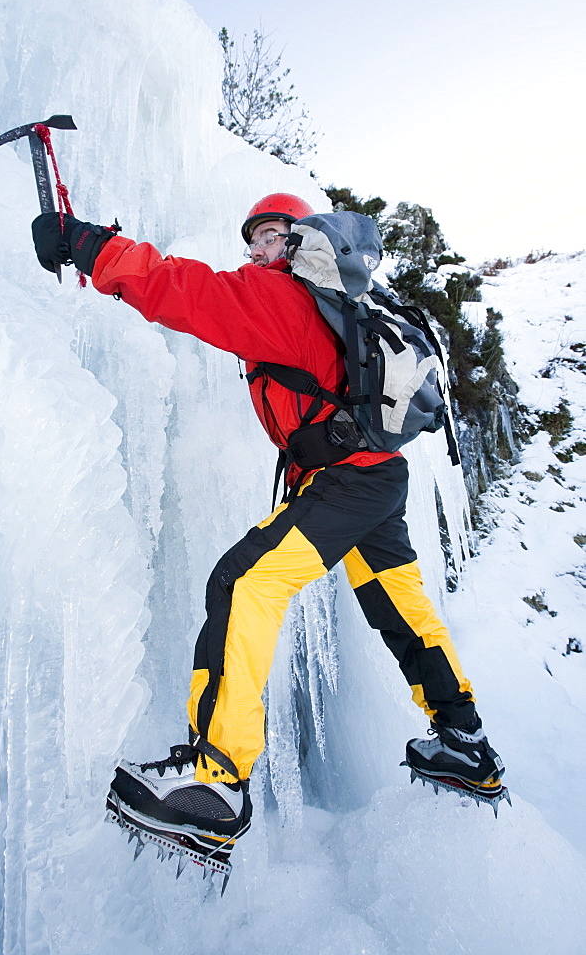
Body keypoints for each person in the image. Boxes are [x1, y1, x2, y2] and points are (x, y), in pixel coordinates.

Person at [32, 193, 505, 860]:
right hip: (370, 479)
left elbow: (183, 289)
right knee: (403, 608)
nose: (257, 249)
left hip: (347, 481)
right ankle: (465, 743)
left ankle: (218, 781)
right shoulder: (331, 309)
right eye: (253, 238)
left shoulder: (284, 298)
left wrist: (90, 246)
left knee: (243, 583)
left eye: (272, 236)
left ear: (302, 244)